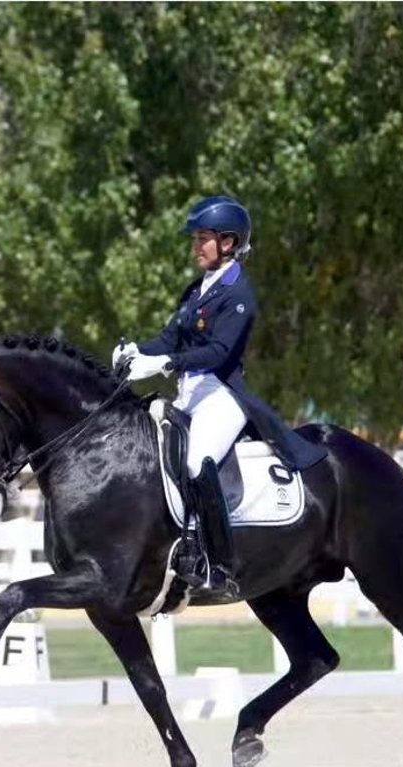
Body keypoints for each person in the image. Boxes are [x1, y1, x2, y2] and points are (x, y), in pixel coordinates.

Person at [114, 195, 326, 599]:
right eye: (196, 238)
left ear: (227, 243)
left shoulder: (238, 292)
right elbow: (168, 338)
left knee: (196, 461)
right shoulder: (198, 289)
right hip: (189, 393)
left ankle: (217, 562)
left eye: (203, 238)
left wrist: (163, 365)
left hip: (221, 395)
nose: (196, 246)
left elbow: (218, 353)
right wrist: (136, 352)